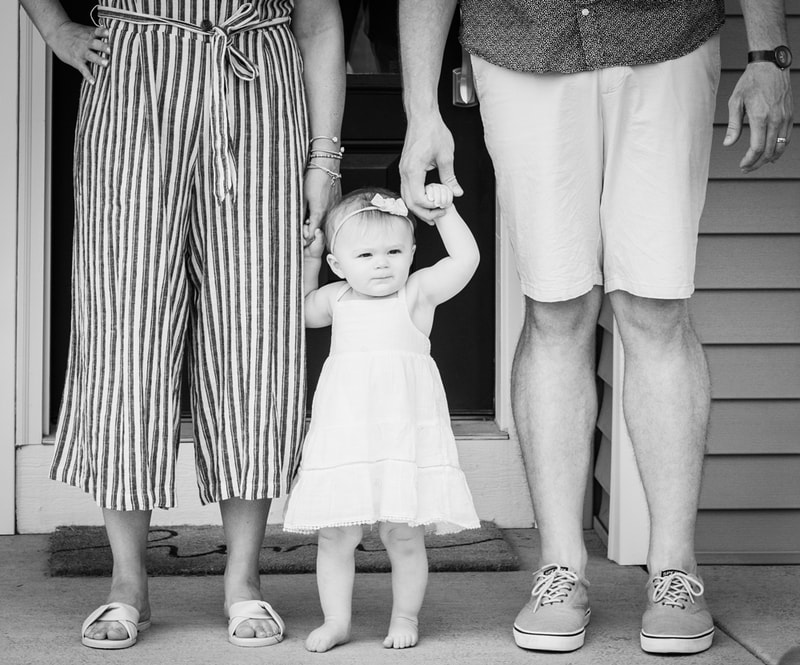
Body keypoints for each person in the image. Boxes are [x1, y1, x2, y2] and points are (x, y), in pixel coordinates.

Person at [398, 0, 792, 656]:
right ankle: (559, 570)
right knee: (554, 308)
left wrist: (769, 51)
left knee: (657, 307)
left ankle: (674, 569)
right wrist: (420, 107)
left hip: (666, 37)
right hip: (522, 46)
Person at [20, 0, 345, 650]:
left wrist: (324, 157)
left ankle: (243, 578)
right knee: (124, 327)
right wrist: (55, 29)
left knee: (253, 327)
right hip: (135, 82)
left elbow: (318, 18)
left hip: (256, 87)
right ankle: (126, 581)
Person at [283, 184, 481, 652]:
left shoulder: (415, 295)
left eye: (394, 250)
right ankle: (336, 621)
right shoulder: (336, 298)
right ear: (339, 264)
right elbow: (296, 310)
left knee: (403, 533)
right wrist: (310, 260)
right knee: (335, 534)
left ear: (412, 253)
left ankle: (405, 616)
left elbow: (466, 261)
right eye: (366, 254)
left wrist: (445, 214)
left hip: (400, 439)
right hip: (348, 434)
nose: (381, 263)